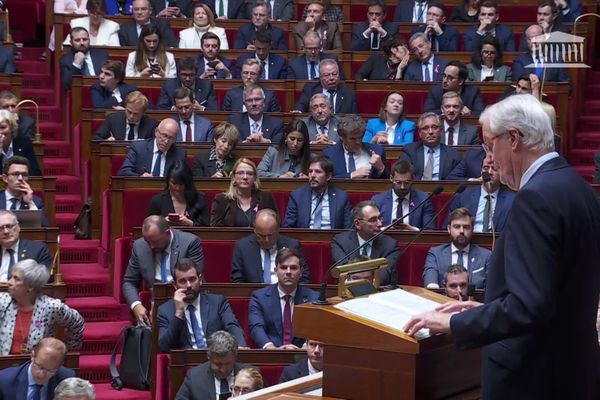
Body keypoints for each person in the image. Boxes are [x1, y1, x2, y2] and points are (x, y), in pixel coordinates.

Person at [404, 94, 600, 400]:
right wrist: (487, 309)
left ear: (513, 138)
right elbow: (551, 294)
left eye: (490, 144)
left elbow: (529, 306)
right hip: (572, 371)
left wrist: (456, 321)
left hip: (533, 379)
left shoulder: (535, 198)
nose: (490, 156)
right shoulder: (577, 187)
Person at [122, 215, 204, 325]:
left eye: (155, 241)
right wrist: (136, 305)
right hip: (155, 301)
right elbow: (129, 282)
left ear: (167, 232)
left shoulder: (190, 242)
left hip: (186, 299)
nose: (151, 246)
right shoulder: (140, 246)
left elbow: (193, 280)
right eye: (148, 241)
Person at [157, 258, 246, 352]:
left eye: (192, 279)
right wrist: (179, 314)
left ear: (200, 280)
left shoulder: (217, 302)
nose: (188, 285)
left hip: (216, 358)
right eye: (182, 281)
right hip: (187, 362)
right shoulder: (165, 310)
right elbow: (164, 347)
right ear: (175, 285)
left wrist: (240, 345)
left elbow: (232, 325)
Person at [0, 260, 85, 354]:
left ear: (30, 286)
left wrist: (65, 351)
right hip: (4, 364)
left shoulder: (51, 307)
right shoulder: (3, 301)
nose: (9, 282)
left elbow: (77, 322)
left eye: (16, 279)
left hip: (38, 365)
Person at [248, 247, 319, 349]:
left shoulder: (314, 299)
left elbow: (316, 328)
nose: (288, 272)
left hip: (303, 356)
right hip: (271, 356)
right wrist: (271, 348)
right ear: (276, 271)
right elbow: (256, 327)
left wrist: (306, 346)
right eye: (284, 267)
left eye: (293, 268)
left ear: (301, 271)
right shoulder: (259, 297)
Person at [231, 208, 310, 283]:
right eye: (262, 236)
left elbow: (304, 278)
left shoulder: (292, 245)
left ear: (278, 230)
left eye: (271, 235)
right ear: (255, 231)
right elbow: (238, 281)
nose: (267, 240)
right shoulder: (243, 247)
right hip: (254, 295)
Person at [331, 201, 400, 286]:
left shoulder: (390, 245)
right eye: (373, 220)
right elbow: (344, 272)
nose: (380, 224)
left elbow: (384, 274)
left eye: (379, 218)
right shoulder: (340, 242)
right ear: (357, 223)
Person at [423, 207, 490, 289]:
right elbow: (431, 284)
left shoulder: (486, 256)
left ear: (472, 229)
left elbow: (491, 289)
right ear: (449, 229)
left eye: (466, 227)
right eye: (457, 226)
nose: (461, 231)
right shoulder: (436, 254)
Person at [447, 154, 515, 232]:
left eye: (495, 169)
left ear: (502, 172)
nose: (489, 172)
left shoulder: (511, 200)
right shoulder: (463, 196)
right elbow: (448, 225)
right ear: (481, 171)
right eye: (486, 168)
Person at [175, 332, 250, 400]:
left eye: (228, 363)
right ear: (209, 357)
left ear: (235, 357)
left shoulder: (251, 375)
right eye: (218, 364)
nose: (223, 369)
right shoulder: (194, 376)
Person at [284, 155, 352, 229]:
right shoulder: (297, 195)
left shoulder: (341, 197)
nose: (312, 175)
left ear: (328, 176)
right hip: (304, 239)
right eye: (310, 171)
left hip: (333, 239)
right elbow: (288, 227)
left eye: (318, 172)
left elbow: (348, 228)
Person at [210, 158, 278, 227]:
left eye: (249, 174)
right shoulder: (222, 199)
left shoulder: (265, 198)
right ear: (233, 177)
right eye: (240, 173)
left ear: (254, 178)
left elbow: (276, 224)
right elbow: (215, 229)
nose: (245, 177)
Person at [0, 338, 75, 399]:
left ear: (59, 366)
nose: (42, 375)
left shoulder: (66, 379)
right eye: (40, 367)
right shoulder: (4, 381)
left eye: (50, 370)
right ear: (32, 356)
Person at [371, 159, 435, 229]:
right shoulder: (378, 200)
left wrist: (412, 230)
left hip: (414, 239)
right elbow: (372, 230)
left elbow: (430, 230)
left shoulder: (423, 200)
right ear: (391, 178)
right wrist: (386, 229)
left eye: (406, 182)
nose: (402, 187)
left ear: (413, 179)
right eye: (398, 182)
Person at [323, 114, 388, 179]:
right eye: (353, 139)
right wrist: (351, 175)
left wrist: (380, 168)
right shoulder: (329, 154)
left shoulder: (378, 151)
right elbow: (326, 180)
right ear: (341, 137)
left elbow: (388, 182)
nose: (358, 142)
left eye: (360, 137)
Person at [400, 112, 462, 180]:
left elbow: (456, 179)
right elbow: (403, 175)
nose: (430, 132)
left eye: (434, 127)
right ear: (420, 133)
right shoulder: (410, 151)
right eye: (425, 128)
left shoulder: (453, 154)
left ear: (441, 131)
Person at [148, 161, 209, 226]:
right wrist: (163, 222)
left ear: (187, 182)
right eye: (174, 183)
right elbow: (149, 226)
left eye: (181, 184)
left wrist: (191, 224)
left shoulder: (199, 198)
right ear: (168, 181)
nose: (177, 188)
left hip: (193, 235)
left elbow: (206, 228)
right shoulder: (158, 200)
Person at [117, 118, 186, 177]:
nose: (166, 141)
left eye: (171, 138)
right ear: (156, 132)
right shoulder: (138, 148)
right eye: (164, 136)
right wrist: (140, 177)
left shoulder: (179, 154)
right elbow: (123, 172)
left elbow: (183, 179)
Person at [0, 210, 52, 281]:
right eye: (1, 228)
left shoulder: (38, 249)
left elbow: (45, 277)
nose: (6, 231)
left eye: (9, 226)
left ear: (18, 227)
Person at [0, 157, 50, 226]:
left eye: (24, 175)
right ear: (5, 178)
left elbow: (45, 228)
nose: (20, 178)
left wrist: (30, 203)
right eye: (15, 174)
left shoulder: (36, 201)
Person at [92, 91, 158, 141]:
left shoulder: (151, 125)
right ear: (125, 107)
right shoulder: (113, 119)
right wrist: (106, 142)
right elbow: (96, 139)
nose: (131, 116)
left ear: (143, 112)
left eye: (136, 114)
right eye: (129, 112)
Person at [0, 110, 42, 176]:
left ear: (11, 128)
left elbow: (35, 173)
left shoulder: (24, 143)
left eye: (3, 127)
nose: (0, 132)